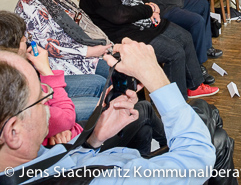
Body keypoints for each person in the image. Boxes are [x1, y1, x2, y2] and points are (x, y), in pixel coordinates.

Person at [0, 39, 220, 184]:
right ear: (13, 132)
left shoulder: (22, 165)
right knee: (216, 140)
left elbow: (59, 164)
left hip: (107, 157)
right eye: (42, 98)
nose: (49, 102)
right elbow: (197, 160)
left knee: (208, 119)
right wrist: (154, 75)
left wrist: (93, 140)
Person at [72, 0, 218, 98]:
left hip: (145, 23)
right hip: (130, 34)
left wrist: (151, 6)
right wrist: (148, 10)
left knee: (185, 37)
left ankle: (194, 85)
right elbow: (121, 15)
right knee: (175, 53)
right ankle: (175, 102)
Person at [15, 0, 111, 121]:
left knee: (115, 68)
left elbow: (77, 22)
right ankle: (112, 127)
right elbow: (52, 47)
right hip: (58, 64)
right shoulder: (31, 7)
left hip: (75, 54)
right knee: (109, 74)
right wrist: (88, 51)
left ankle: (125, 121)